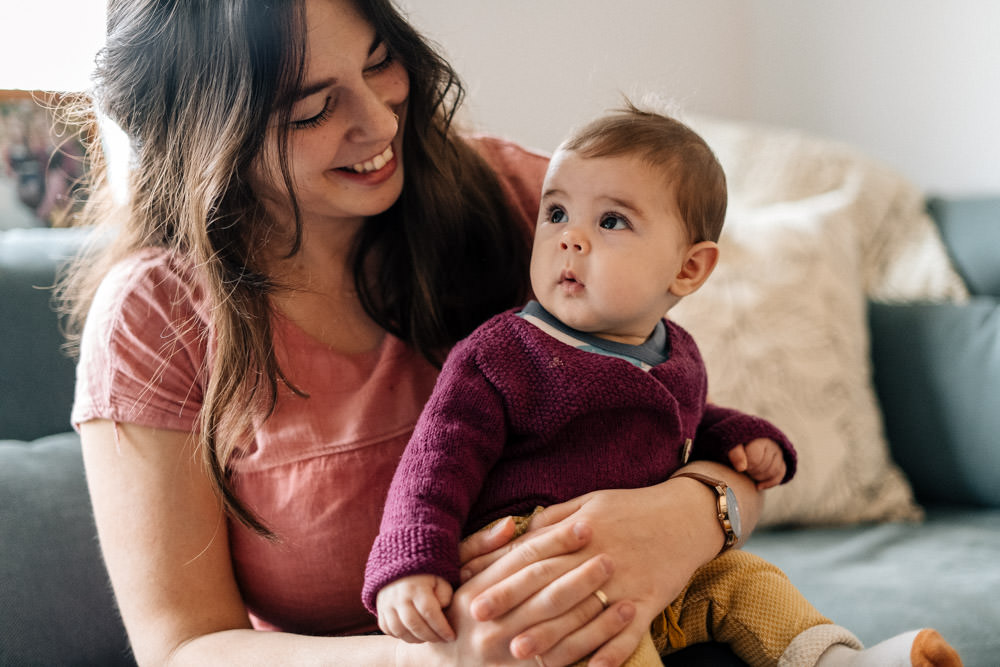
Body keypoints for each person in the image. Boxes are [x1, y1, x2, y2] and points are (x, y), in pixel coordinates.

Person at [60, 1, 780, 666]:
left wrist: (684, 519)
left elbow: (728, 447)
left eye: (379, 63)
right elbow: (183, 648)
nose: (377, 121)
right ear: (208, 134)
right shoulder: (155, 318)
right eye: (313, 110)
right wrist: (432, 656)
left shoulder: (529, 203)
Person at [363, 106, 964, 667]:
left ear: (688, 268)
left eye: (612, 221)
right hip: (546, 574)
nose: (570, 238)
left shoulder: (676, 352)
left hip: (664, 570)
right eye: (556, 213)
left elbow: (687, 421)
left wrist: (741, 436)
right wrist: (411, 561)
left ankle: (835, 660)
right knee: (609, 644)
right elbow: (435, 459)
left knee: (751, 582)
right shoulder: (500, 354)